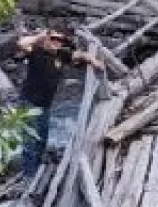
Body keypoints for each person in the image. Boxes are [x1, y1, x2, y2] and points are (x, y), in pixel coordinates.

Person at [15, 27, 104, 177]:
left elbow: (79, 55)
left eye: (59, 40)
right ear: (46, 40)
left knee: (41, 139)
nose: (57, 42)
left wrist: (93, 61)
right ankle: (29, 177)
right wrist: (41, 36)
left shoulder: (61, 55)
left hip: (45, 105)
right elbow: (22, 43)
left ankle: (36, 171)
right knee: (30, 142)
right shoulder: (36, 51)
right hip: (29, 103)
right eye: (53, 39)